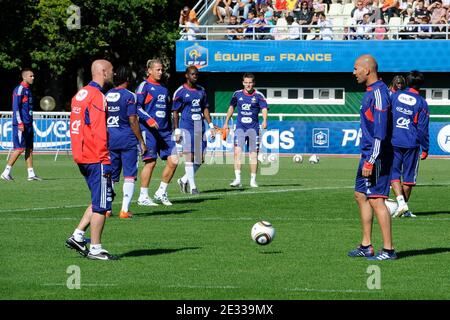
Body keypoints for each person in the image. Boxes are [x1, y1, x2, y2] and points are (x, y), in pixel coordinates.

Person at [66, 59, 118, 260]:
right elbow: (98, 130)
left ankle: (78, 235)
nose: (113, 74)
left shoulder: (80, 94)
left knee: (102, 196)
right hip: (96, 156)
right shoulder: (97, 96)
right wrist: (105, 158)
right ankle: (96, 249)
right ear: (103, 72)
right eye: (111, 70)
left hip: (82, 155)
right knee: (102, 205)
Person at [349, 54, 397, 261]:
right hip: (367, 154)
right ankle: (366, 245)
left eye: (356, 68)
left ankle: (388, 250)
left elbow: (381, 132)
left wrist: (371, 159)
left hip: (376, 156)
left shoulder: (379, 94)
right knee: (361, 195)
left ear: (367, 70)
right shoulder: (370, 92)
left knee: (377, 200)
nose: (354, 73)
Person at [105, 65, 147, 219]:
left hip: (110, 139)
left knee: (111, 176)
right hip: (127, 140)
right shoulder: (130, 96)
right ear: (128, 79)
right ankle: (124, 210)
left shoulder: (107, 95)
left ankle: (107, 209)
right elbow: (133, 120)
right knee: (129, 174)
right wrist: (141, 141)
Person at [136, 59, 179, 206]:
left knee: (174, 160)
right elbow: (137, 107)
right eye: (157, 69)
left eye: (161, 70)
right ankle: (143, 196)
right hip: (149, 131)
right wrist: (148, 120)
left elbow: (169, 111)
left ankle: (161, 192)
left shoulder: (164, 89)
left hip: (165, 132)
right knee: (150, 162)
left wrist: (173, 129)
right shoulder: (144, 86)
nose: (160, 72)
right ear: (149, 71)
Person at [390, 70, 429, 218]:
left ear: (407, 82)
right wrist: (425, 148)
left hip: (393, 141)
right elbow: (422, 129)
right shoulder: (422, 103)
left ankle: (401, 206)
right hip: (412, 143)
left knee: (394, 174)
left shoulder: (395, 96)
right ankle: (403, 207)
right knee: (408, 178)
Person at [173, 66, 215, 195]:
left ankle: (183, 179)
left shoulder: (201, 90)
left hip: (199, 128)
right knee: (189, 156)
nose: (195, 76)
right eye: (192, 74)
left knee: (200, 159)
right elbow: (175, 112)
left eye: (196, 74)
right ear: (186, 75)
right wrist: (177, 130)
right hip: (186, 127)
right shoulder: (180, 92)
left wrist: (211, 125)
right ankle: (193, 187)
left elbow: (205, 108)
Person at [223, 73, 268, 188]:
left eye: (250, 83)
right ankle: (238, 179)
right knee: (237, 153)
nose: (248, 85)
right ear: (243, 83)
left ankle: (253, 180)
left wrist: (264, 120)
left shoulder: (259, 95)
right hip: (240, 128)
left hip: (253, 129)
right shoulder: (237, 94)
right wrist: (226, 122)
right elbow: (231, 107)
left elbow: (264, 108)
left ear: (254, 83)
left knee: (253, 155)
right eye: (246, 82)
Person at [1, 68, 41, 181]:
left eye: (33, 76)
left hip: (28, 124)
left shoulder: (28, 90)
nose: (33, 78)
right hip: (21, 124)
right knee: (19, 148)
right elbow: (16, 108)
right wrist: (19, 122)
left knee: (29, 148)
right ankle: (5, 172)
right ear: (24, 77)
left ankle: (31, 174)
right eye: (31, 76)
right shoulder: (19, 90)